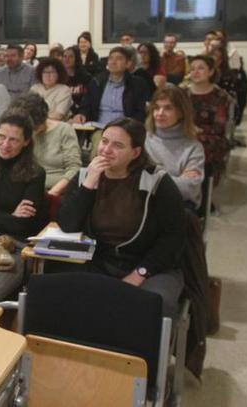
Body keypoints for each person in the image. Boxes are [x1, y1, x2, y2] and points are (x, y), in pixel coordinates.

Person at [56, 118, 186, 318]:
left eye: (117, 145)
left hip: (150, 265)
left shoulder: (157, 182)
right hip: (99, 260)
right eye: (104, 141)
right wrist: (90, 183)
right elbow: (67, 224)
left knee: (149, 306)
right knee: (60, 293)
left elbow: (173, 239)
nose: (106, 150)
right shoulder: (85, 176)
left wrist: (140, 273)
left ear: (135, 153)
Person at [144, 87, 205, 208]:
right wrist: (176, 180)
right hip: (143, 201)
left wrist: (150, 180)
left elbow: (189, 189)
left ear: (181, 112)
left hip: (178, 205)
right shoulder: (142, 138)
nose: (160, 113)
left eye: (168, 108)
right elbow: (131, 179)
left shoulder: (194, 148)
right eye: (156, 108)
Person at [11, 94, 81, 197]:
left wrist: (52, 193)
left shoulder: (64, 130)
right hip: (27, 188)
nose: (32, 133)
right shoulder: (22, 131)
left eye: (35, 128)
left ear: (43, 118)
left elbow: (74, 169)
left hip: (55, 189)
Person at [186, 55, 233, 186]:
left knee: (200, 147)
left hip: (210, 136)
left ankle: (203, 191)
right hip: (184, 133)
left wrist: (197, 130)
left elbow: (219, 127)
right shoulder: (182, 93)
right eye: (192, 68)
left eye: (201, 68)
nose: (195, 72)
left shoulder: (221, 96)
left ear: (211, 72)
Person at [72, 47, 150, 125]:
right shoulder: (96, 82)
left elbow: (140, 112)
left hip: (126, 128)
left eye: (118, 59)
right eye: (111, 59)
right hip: (99, 127)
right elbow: (85, 105)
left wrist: (129, 126)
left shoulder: (137, 84)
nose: (113, 62)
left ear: (128, 64)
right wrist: (81, 114)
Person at [63, 45, 91, 117]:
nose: (67, 59)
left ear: (77, 58)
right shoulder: (59, 77)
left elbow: (88, 98)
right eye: (65, 56)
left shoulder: (85, 77)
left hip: (81, 113)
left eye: (71, 57)